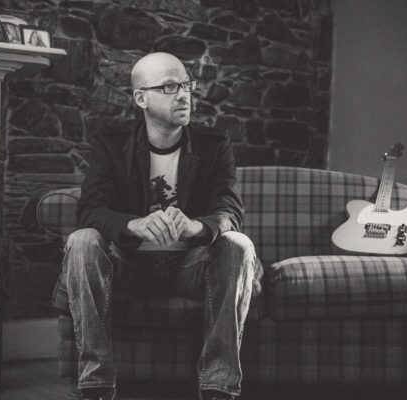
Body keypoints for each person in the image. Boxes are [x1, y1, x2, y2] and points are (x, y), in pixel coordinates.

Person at [62, 52, 261, 400]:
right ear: (141, 98)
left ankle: (218, 387)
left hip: (190, 267)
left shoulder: (214, 143)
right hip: (129, 265)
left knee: (239, 244)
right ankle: (96, 386)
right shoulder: (112, 142)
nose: (183, 95)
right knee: (82, 241)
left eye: (186, 84)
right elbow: (90, 210)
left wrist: (197, 227)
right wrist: (133, 225)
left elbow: (230, 210)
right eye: (170, 87)